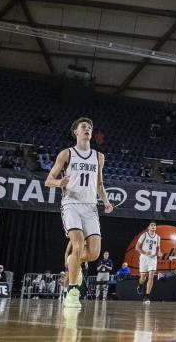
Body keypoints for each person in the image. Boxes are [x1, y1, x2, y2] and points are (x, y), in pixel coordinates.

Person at [45, 117, 114, 309]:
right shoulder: (66, 154)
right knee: (77, 245)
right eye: (84, 127)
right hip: (71, 204)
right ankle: (73, 290)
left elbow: (99, 184)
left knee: (93, 253)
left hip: (90, 206)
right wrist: (59, 182)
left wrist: (106, 202)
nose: (88, 129)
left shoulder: (99, 157)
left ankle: (72, 263)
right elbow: (48, 180)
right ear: (75, 131)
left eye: (90, 127)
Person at [135, 221, 161, 304]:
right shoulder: (144, 235)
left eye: (154, 225)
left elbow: (158, 248)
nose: (153, 226)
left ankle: (146, 296)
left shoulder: (158, 237)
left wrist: (158, 253)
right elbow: (137, 247)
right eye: (151, 225)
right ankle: (140, 285)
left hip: (153, 258)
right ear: (148, 227)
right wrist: (145, 253)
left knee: (151, 276)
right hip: (144, 257)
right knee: (143, 277)